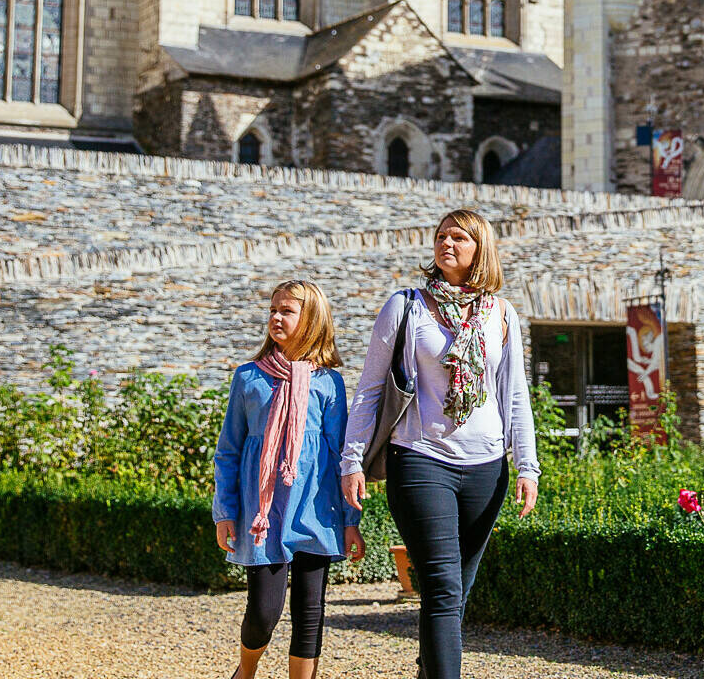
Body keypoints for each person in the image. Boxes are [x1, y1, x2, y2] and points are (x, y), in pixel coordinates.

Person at [341, 209, 540, 679]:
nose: (446, 243)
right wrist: (352, 460)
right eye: (441, 236)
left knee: (455, 592)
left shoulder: (502, 314)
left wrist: (527, 465)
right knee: (443, 589)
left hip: (487, 467)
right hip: (421, 460)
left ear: (480, 249)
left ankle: (428, 670)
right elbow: (370, 388)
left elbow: (515, 394)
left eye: (459, 237)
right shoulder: (405, 307)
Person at [213, 279, 365, 679]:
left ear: (311, 319)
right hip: (263, 515)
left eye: (286, 311)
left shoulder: (328, 382)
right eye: (272, 311)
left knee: (310, 612)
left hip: (316, 509)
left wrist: (351, 523)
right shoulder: (249, 378)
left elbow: (340, 458)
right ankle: (246, 671)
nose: (276, 318)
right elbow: (228, 450)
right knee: (264, 612)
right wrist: (224, 511)